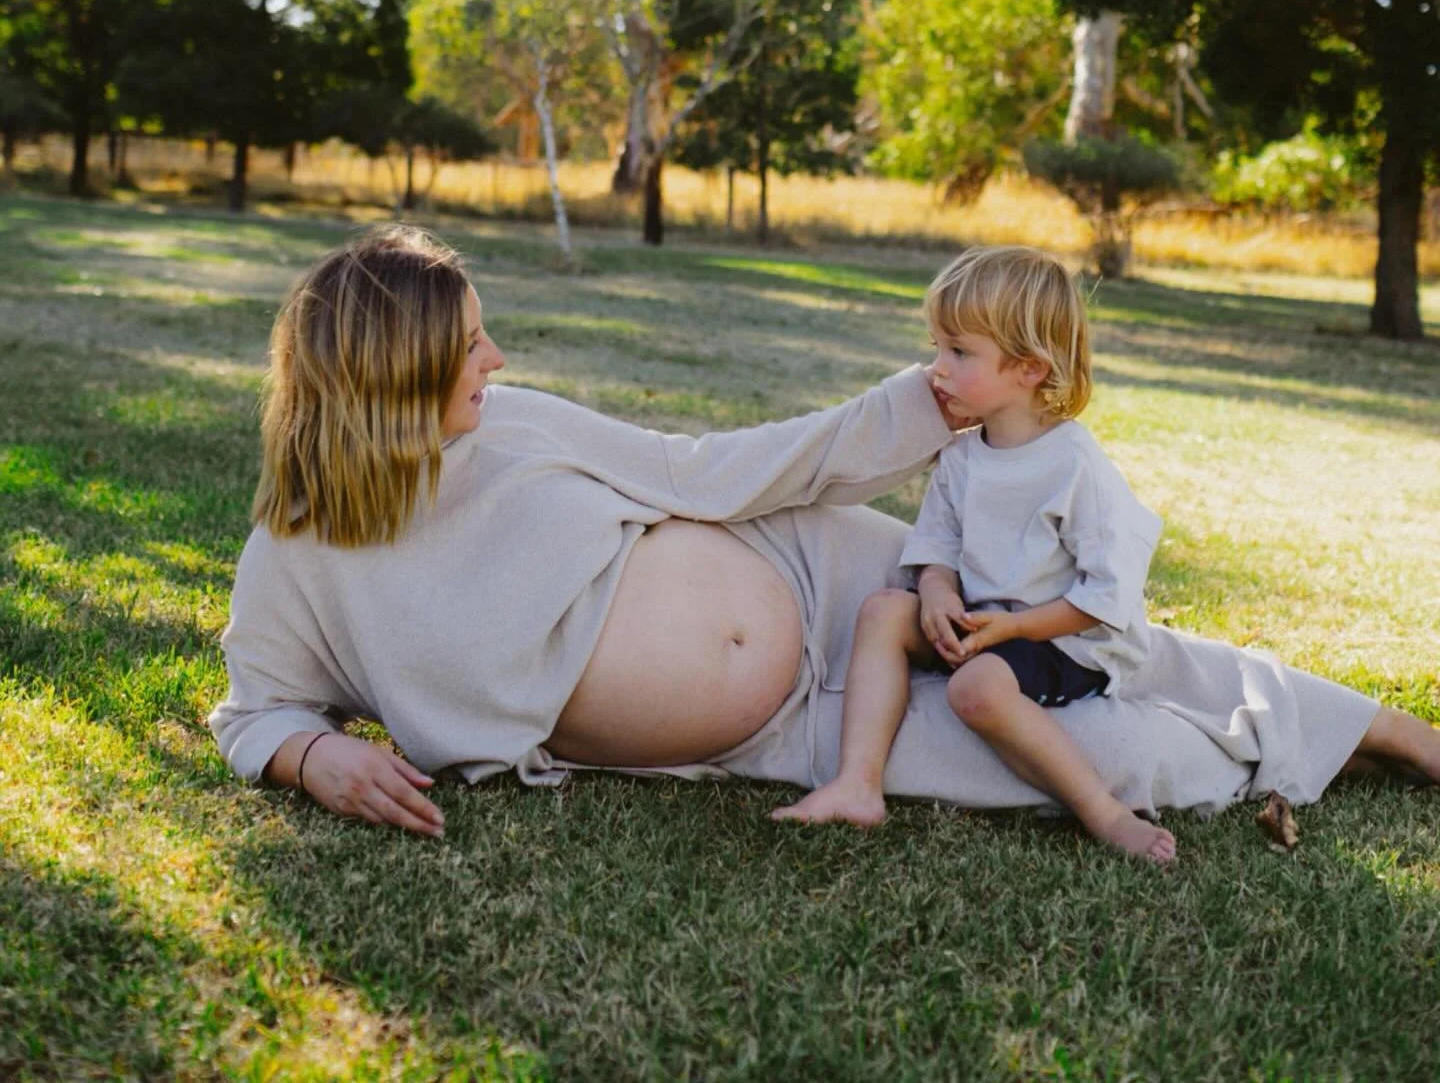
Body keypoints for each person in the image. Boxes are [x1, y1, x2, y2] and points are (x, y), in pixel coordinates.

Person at [209, 225, 1440, 837]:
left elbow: (708, 471)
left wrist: (922, 400)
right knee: (1105, 766)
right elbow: (253, 705)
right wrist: (314, 761)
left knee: (1128, 653)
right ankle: (1264, 773)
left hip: (822, 570)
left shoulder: (515, 423)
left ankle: (1391, 733)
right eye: (468, 342)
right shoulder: (302, 555)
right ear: (389, 371)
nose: (496, 355)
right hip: (793, 735)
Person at [773, 246, 1175, 862]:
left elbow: (1104, 599)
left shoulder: (1074, 466)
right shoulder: (962, 456)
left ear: (1029, 369)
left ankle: (1105, 811)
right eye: (937, 346)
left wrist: (1012, 627)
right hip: (985, 621)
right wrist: (937, 593)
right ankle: (858, 783)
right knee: (884, 609)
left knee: (976, 691)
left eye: (959, 352)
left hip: (1058, 638)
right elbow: (937, 546)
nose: (936, 368)